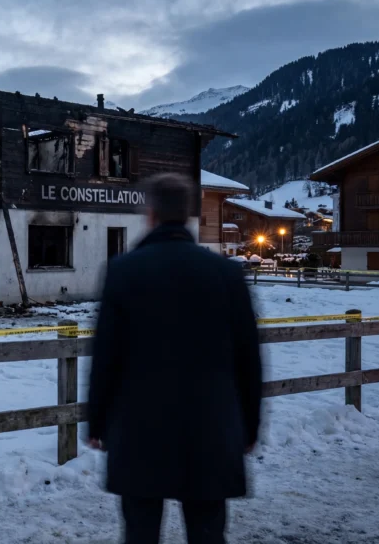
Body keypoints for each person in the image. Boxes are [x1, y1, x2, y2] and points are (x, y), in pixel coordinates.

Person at [86, 173, 263, 544]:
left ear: (151, 214)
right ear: (187, 216)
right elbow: (248, 359)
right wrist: (249, 426)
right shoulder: (227, 275)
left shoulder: (124, 271)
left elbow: (106, 356)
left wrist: (97, 421)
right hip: (212, 429)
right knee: (207, 533)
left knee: (141, 533)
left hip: (139, 431)